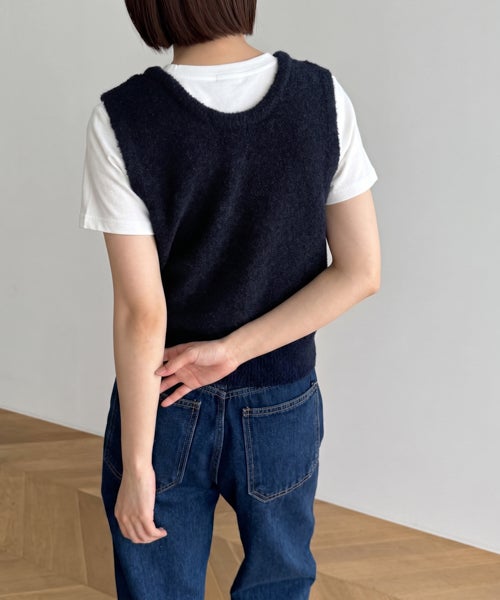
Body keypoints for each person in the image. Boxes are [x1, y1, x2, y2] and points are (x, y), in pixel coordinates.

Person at [79, 1, 381, 598]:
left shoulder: (121, 117)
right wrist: (234, 351)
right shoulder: (321, 98)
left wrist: (137, 467)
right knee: (279, 581)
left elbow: (143, 314)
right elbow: (360, 272)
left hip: (167, 399)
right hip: (282, 400)